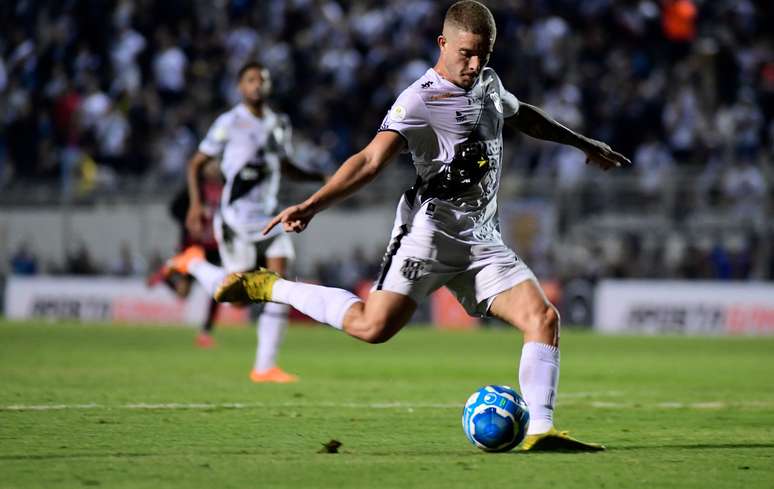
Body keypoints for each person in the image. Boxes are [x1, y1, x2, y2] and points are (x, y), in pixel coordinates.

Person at [214, 1, 630, 450]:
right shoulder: (419, 98)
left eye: (483, 55)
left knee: (543, 318)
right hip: (428, 235)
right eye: (466, 53)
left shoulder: (489, 82)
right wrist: (313, 204)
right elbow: (371, 160)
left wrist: (582, 143)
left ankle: (540, 430)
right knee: (372, 329)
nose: (474, 64)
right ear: (442, 43)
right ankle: (272, 287)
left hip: (482, 238)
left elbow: (521, 113)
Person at [165, 61, 326, 383]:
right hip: (235, 219)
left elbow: (283, 165)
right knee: (235, 296)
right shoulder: (229, 122)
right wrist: (196, 204)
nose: (257, 85)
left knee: (281, 285)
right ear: (241, 86)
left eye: (262, 80)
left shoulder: (279, 123)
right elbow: (196, 163)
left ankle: (265, 366)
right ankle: (194, 263)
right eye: (251, 80)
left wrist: (320, 177)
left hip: (271, 217)